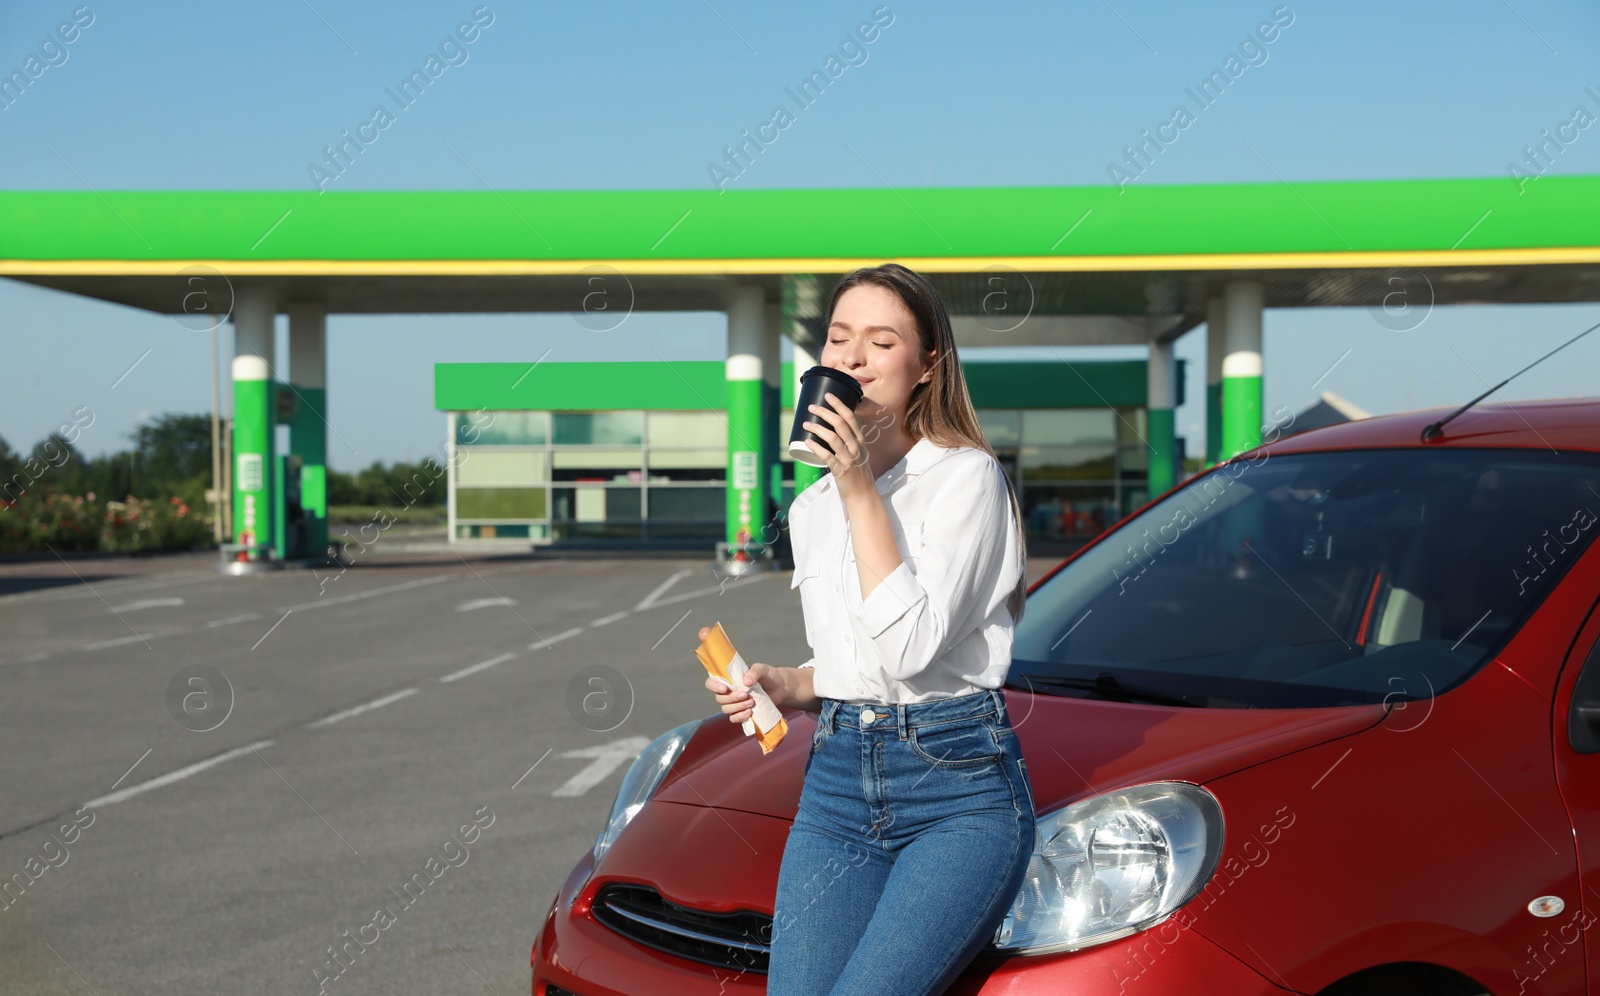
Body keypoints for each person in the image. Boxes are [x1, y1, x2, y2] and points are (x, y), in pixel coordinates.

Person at [702, 263, 1037, 996]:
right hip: (836, 785)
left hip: (956, 788)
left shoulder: (964, 478)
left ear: (925, 369)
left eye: (880, 342)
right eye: (838, 339)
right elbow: (854, 661)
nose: (851, 358)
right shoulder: (811, 507)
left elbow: (912, 649)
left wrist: (858, 488)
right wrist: (785, 684)